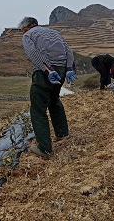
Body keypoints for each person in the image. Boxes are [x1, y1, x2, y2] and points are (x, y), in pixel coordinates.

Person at [19, 16, 76, 159]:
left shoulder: (28, 35)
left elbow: (33, 53)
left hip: (45, 72)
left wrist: (47, 70)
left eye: (22, 30)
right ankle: (62, 133)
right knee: (54, 99)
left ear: (26, 28)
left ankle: (45, 149)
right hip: (62, 69)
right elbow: (68, 51)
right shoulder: (54, 33)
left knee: (38, 108)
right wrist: (69, 68)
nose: (22, 32)